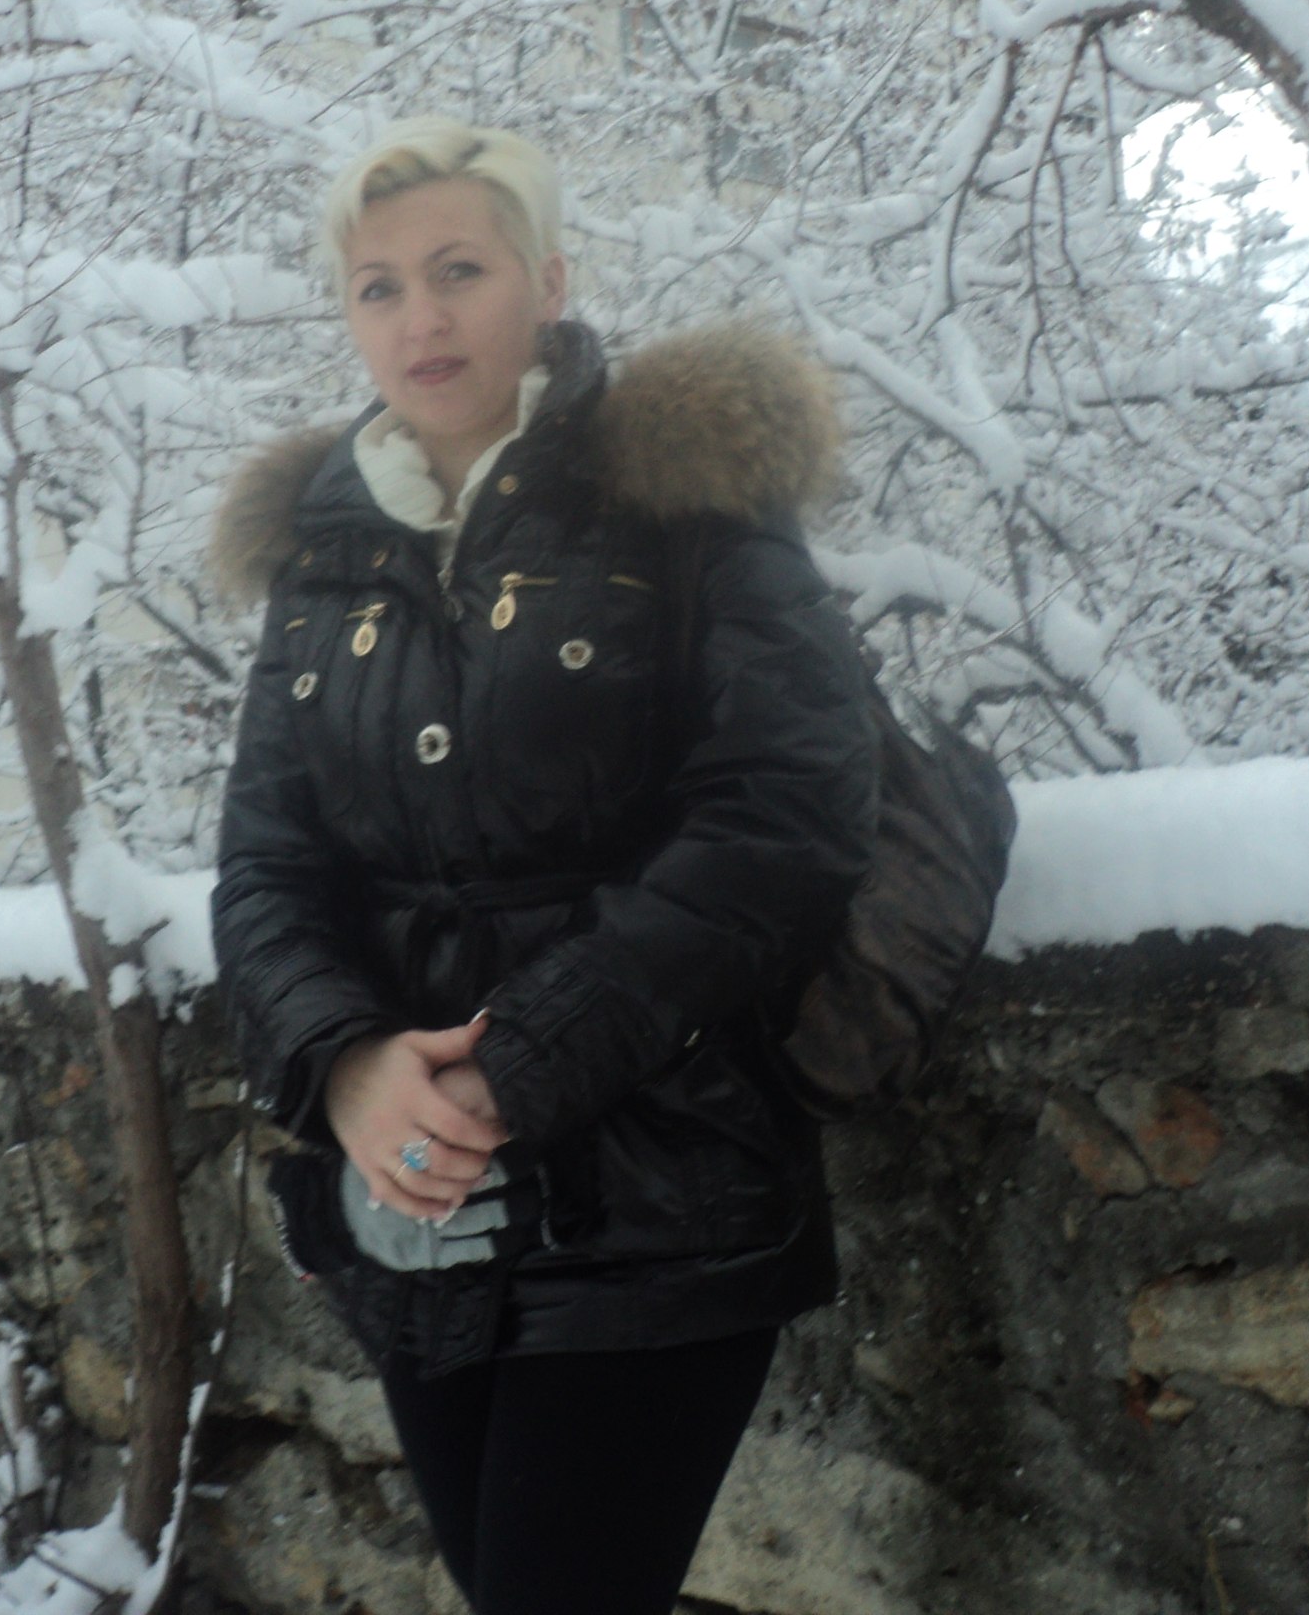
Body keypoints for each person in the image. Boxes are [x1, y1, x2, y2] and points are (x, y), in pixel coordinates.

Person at [208, 116, 878, 1615]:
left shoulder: (677, 494)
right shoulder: (323, 557)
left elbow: (789, 814)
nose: (421, 318)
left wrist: (526, 1060)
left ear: (548, 281)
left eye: (460, 269)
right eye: (379, 287)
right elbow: (264, 868)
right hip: (423, 1208)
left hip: (657, 1187)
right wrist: (345, 1066)